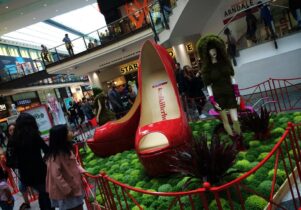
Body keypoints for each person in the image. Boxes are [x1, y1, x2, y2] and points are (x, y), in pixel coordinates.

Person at [197, 35, 244, 149]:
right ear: (207, 53)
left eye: (214, 49)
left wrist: (237, 93)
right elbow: (208, 86)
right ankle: (234, 141)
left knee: (235, 119)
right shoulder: (206, 69)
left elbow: (232, 79)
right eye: (210, 50)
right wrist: (212, 99)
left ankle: (240, 139)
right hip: (218, 96)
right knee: (225, 121)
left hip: (229, 93)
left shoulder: (225, 63)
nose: (213, 52)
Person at [10, 113, 53, 209]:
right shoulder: (34, 135)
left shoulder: (14, 139)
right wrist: (42, 160)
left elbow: (12, 158)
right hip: (39, 171)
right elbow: (47, 150)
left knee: (42, 193)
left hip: (25, 175)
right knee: (46, 194)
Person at [46, 125, 85, 210]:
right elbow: (56, 175)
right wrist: (67, 189)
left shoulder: (66, 149)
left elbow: (74, 162)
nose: (70, 133)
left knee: (79, 206)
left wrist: (82, 170)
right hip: (67, 192)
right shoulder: (55, 156)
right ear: (61, 136)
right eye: (67, 132)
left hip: (74, 186)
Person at [6, 123, 30, 210]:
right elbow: (9, 155)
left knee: (34, 185)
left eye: (13, 129)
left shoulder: (23, 139)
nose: (12, 131)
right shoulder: (10, 142)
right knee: (22, 187)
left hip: (28, 165)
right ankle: (27, 202)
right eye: (10, 130)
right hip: (19, 168)